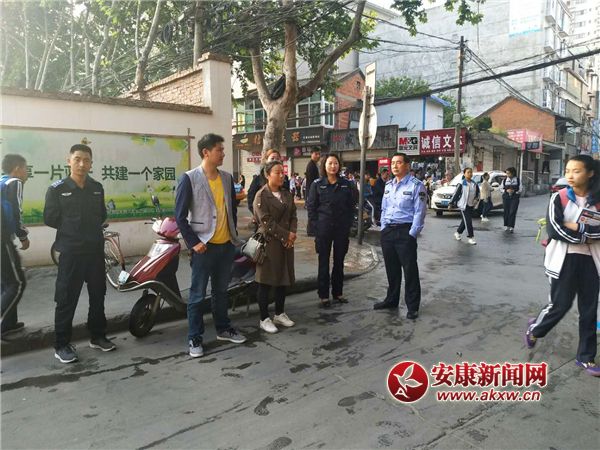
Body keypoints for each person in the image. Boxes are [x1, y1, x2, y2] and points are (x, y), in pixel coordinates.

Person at [525, 155, 600, 377]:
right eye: (568, 171)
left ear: (590, 173)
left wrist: (575, 226)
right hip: (564, 260)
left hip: (592, 262)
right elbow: (555, 230)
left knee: (589, 310)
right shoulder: (559, 197)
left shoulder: (597, 199)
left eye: (576, 171)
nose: (570, 175)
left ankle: (585, 357)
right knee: (560, 305)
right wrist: (587, 236)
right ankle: (535, 330)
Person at [175, 133, 247, 358]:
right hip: (204, 247)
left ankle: (223, 329)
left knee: (221, 292)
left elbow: (231, 209)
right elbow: (180, 217)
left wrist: (233, 236)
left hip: (226, 246)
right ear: (206, 152)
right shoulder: (189, 178)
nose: (223, 153)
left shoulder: (226, 178)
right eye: (219, 150)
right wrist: (194, 243)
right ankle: (194, 338)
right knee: (197, 295)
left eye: (223, 150)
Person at [44, 144, 116, 363]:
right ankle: (62, 345)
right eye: (77, 159)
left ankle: (98, 336)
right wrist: (71, 230)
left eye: (86, 160)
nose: (82, 164)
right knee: (66, 298)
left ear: (91, 163)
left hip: (94, 251)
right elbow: (50, 218)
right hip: (71, 252)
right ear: (69, 161)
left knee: (98, 295)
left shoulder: (96, 187)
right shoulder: (57, 189)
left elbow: (101, 214)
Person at [374, 153, 427, 320]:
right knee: (392, 269)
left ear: (407, 165)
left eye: (398, 163)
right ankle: (391, 299)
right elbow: (384, 208)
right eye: (392, 163)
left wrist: (412, 234)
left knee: (410, 270)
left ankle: (412, 306)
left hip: (405, 231)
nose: (394, 166)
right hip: (388, 231)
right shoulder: (388, 185)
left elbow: (420, 212)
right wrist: (383, 227)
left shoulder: (416, 185)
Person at [252, 160, 298, 333]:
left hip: (286, 243)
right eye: (277, 172)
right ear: (267, 174)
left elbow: (293, 215)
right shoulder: (261, 196)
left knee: (282, 278)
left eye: (282, 172)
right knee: (265, 280)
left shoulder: (286, 194)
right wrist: (286, 235)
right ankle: (264, 318)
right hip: (269, 243)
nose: (281, 176)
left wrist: (292, 233)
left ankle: (279, 313)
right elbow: (266, 222)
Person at [307, 153, 357, 308]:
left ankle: (338, 292)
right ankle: (323, 295)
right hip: (324, 229)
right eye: (330, 163)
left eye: (335, 163)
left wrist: (348, 224)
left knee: (339, 261)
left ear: (339, 165)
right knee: (323, 261)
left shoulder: (346, 184)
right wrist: (315, 227)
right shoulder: (317, 184)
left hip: (341, 229)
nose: (333, 166)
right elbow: (311, 207)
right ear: (324, 165)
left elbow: (351, 206)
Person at [1, 154, 30, 338]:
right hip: (2, 239)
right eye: (26, 168)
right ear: (17, 168)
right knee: (17, 283)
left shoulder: (1, 182)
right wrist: (23, 236)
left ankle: (9, 324)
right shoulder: (14, 182)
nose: (27, 173)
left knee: (5, 283)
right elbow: (16, 211)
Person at [247, 149, 289, 215]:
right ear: (266, 160)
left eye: (277, 158)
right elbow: (250, 199)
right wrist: (258, 214)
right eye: (272, 158)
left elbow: (289, 200)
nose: (275, 160)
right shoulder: (258, 179)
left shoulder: (284, 178)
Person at [450, 167, 480, 245]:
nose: (470, 174)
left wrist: (476, 199)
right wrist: (451, 203)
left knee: (465, 221)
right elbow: (456, 194)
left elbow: (478, 193)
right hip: (463, 205)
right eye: (468, 172)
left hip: (471, 205)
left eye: (471, 172)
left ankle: (458, 232)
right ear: (464, 174)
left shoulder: (474, 184)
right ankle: (471, 237)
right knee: (468, 221)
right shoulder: (461, 183)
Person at [502, 167, 521, 233]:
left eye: (509, 173)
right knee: (506, 211)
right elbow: (501, 189)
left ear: (513, 173)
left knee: (512, 211)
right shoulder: (505, 180)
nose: (507, 175)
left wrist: (514, 191)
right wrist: (506, 190)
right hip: (506, 198)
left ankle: (511, 226)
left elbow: (520, 189)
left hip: (514, 198)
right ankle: (506, 225)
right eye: (507, 173)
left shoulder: (517, 180)